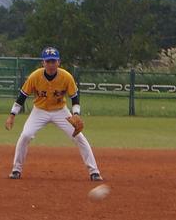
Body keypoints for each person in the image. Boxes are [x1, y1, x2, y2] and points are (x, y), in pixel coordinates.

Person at [5, 47, 103, 181]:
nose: (51, 64)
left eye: (53, 61)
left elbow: (74, 98)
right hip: (39, 111)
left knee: (79, 137)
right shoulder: (35, 76)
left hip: (60, 111)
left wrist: (76, 114)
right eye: (48, 61)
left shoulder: (66, 77)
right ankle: (16, 169)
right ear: (43, 63)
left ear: (58, 62)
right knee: (25, 135)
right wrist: (12, 115)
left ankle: (94, 172)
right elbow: (22, 97)